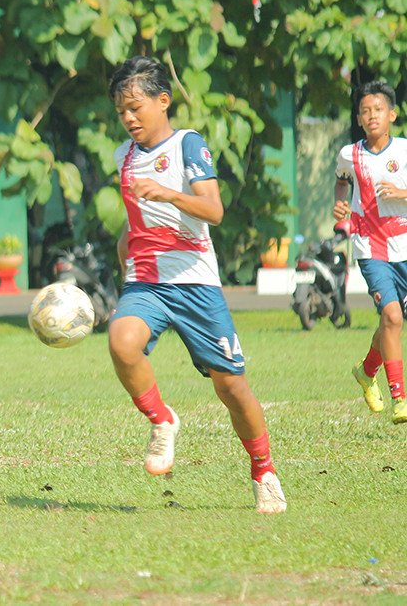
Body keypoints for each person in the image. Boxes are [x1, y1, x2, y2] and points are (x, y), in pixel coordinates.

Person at [105, 56, 287, 513]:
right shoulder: (122, 158)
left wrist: (167, 192)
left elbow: (213, 211)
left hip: (195, 285)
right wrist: (125, 255)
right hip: (146, 280)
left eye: (135, 106)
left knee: (232, 390)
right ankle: (161, 419)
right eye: (121, 110)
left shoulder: (188, 145)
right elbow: (135, 224)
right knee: (122, 341)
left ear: (162, 101)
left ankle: (263, 471)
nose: (128, 117)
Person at [335, 80, 407, 423]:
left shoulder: (404, 151)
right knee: (392, 317)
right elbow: (340, 180)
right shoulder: (350, 154)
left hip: (404, 246)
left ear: (392, 114)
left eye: (378, 109)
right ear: (359, 119)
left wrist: (401, 192)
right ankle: (400, 399)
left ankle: (366, 371)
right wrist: (339, 206)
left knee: (391, 321)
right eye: (365, 111)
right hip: (370, 246)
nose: (371, 115)